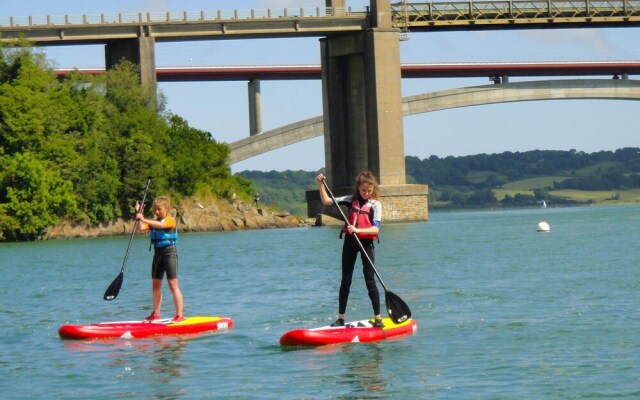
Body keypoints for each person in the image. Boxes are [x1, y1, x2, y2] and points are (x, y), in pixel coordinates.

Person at [315, 171, 383, 328]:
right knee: (345, 280)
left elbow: (375, 229)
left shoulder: (375, 204)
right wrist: (320, 184)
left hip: (366, 243)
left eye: (369, 190)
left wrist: (358, 231)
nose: (366, 193)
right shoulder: (348, 199)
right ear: (358, 188)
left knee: (369, 279)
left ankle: (378, 317)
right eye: (364, 190)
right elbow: (326, 201)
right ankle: (341, 318)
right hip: (350, 243)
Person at [135, 196, 185, 323]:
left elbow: (161, 225)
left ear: (166, 209)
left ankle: (179, 315)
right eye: (155, 210)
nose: (156, 212)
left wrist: (144, 218)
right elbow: (140, 228)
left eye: (159, 209)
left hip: (169, 253)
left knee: (173, 284)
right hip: (157, 254)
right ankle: (156, 314)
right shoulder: (153, 222)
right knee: (156, 284)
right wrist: (139, 213)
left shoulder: (170, 221)